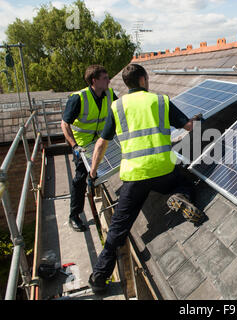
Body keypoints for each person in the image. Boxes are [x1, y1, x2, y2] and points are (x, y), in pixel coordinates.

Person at [87, 63, 204, 294]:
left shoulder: (116, 106)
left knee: (118, 228)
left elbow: (101, 143)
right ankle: (180, 196)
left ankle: (99, 278)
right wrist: (198, 121)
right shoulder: (160, 101)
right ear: (142, 80)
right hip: (163, 171)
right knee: (187, 183)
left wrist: (93, 172)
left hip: (135, 176)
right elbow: (190, 127)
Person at [61, 65, 118, 232]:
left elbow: (120, 111)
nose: (109, 80)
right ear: (94, 80)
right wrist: (74, 146)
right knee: (79, 179)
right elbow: (65, 124)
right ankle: (74, 215)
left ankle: (94, 183)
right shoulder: (78, 98)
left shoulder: (109, 94)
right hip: (83, 146)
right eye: (105, 78)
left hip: (101, 141)